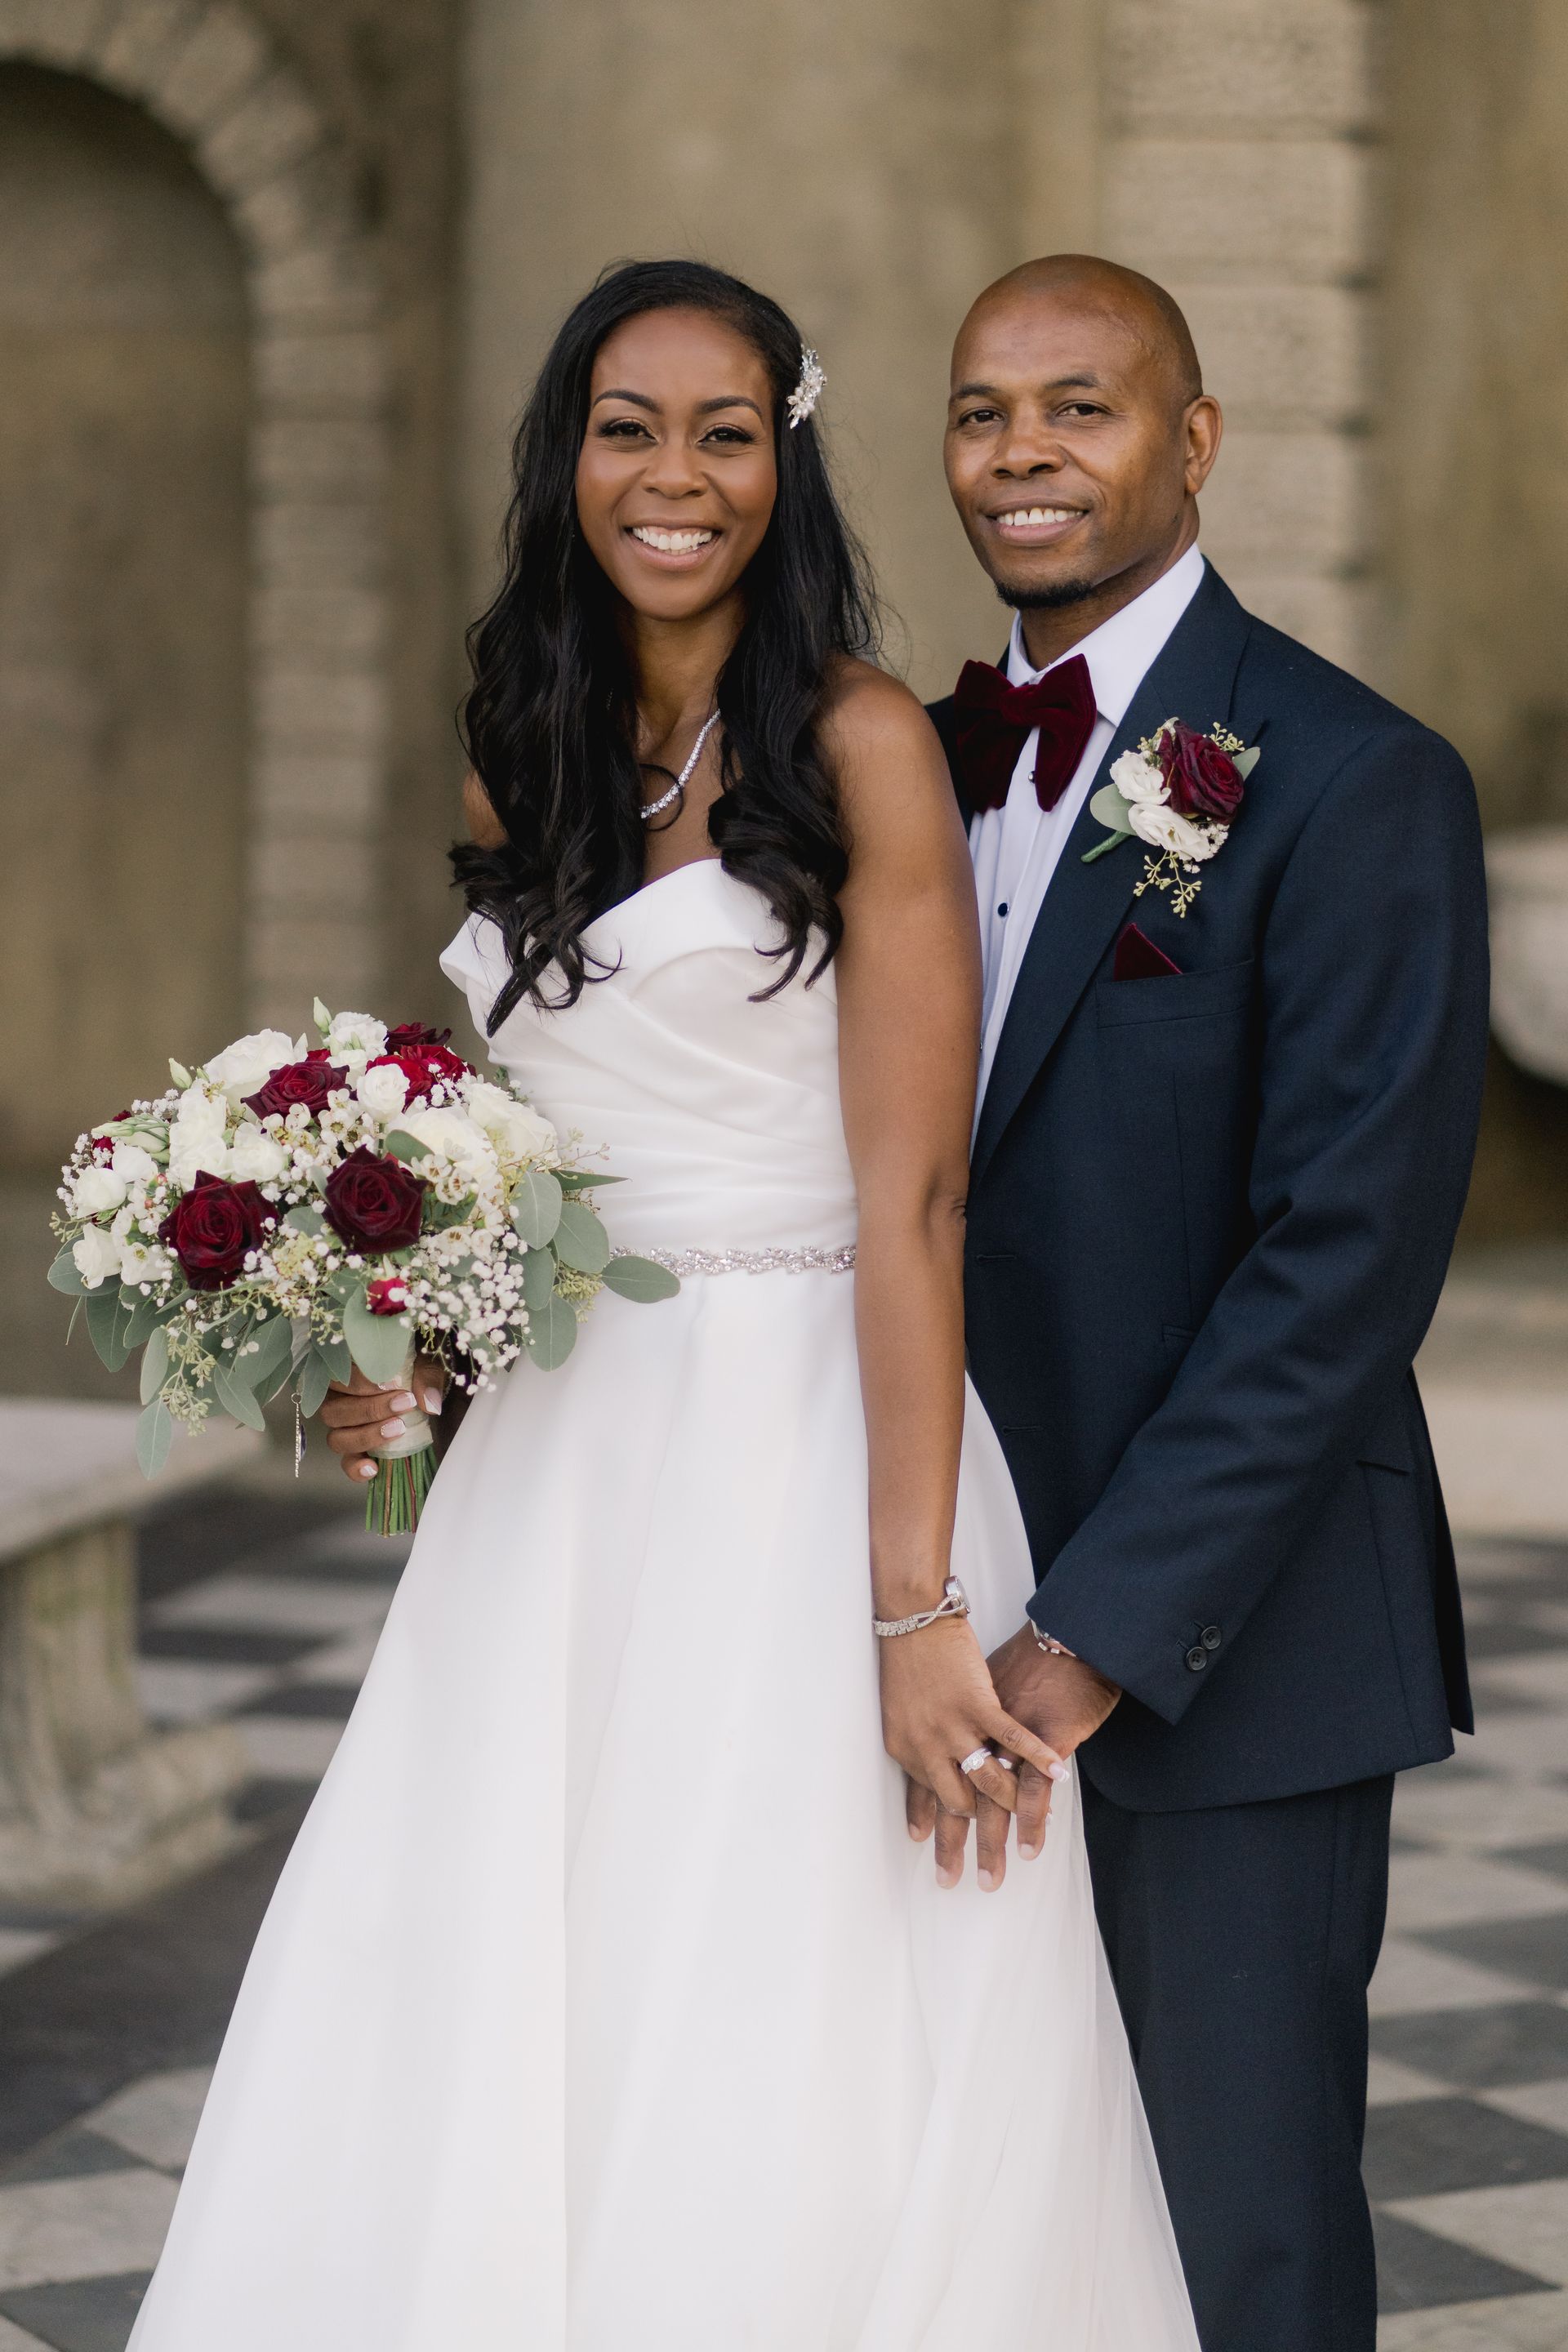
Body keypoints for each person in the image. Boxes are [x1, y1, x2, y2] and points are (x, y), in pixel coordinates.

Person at [127, 261, 1198, 2350]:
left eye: (726, 433)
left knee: (780, 1981)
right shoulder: (509, 752)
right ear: (570, 460)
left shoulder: (861, 742)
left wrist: (911, 1610)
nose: (676, 477)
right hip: (561, 1464)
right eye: (631, 428)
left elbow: (915, 1198)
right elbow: (522, 1174)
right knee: (515, 1966)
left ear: (782, 467)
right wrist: (406, 1372)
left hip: (816, 1433)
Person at [924, 255, 1490, 2352]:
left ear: (1194, 440)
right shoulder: (898, 768)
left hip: (1217, 1649)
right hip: (926, 1631)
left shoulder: (1353, 777)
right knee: (972, 2206)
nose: (1025, 455)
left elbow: (1345, 1260)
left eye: (1082, 406)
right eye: (986, 411)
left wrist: (1092, 1634)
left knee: (1230, 2235)